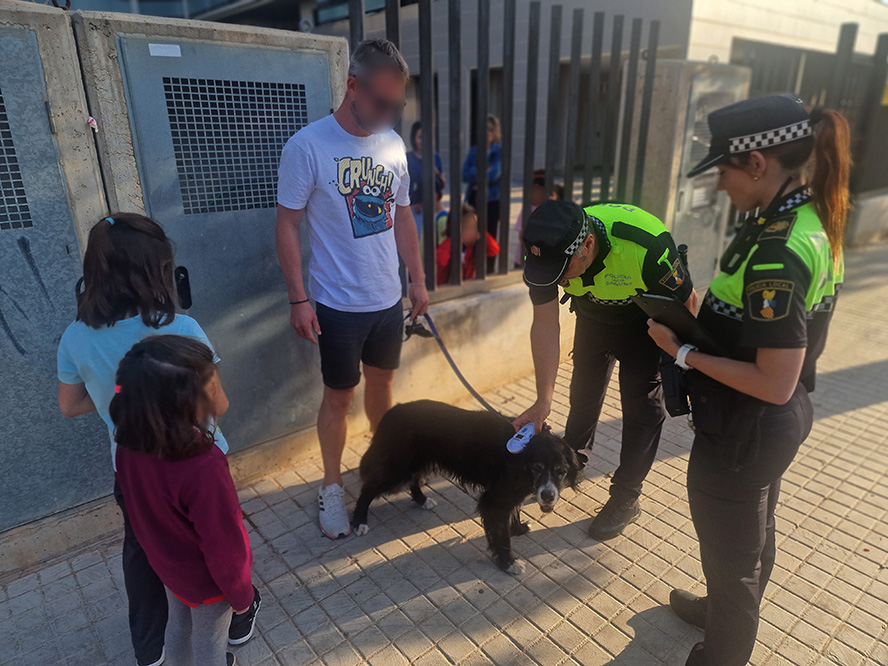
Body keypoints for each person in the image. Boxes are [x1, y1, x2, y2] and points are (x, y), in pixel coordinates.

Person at [646, 94, 848, 666]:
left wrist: (682, 350)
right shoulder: (807, 218)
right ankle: (722, 611)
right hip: (767, 424)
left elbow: (773, 381)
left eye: (725, 171)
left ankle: (724, 651)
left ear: (757, 164)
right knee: (753, 534)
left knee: (733, 559)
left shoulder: (777, 249)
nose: (719, 185)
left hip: (749, 424)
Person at [56, 213, 259, 666]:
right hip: (197, 462)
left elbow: (69, 405)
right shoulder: (183, 330)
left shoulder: (74, 336)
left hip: (130, 468)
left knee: (147, 546)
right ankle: (239, 614)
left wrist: (121, 395)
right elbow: (219, 405)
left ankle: (150, 651)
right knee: (217, 540)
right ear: (157, 271)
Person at [276, 39, 429, 540]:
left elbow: (402, 213)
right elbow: (287, 226)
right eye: (380, 103)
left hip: (387, 300)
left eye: (396, 105)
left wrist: (418, 280)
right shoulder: (307, 147)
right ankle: (331, 486)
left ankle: (383, 465)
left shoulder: (391, 144)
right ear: (352, 87)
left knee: (382, 389)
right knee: (339, 398)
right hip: (337, 304)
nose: (388, 113)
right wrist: (299, 297)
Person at [513, 200, 697, 541]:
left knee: (641, 408)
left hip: (646, 326)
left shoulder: (646, 245)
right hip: (593, 319)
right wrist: (542, 400)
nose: (558, 279)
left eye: (563, 271)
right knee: (582, 393)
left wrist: (681, 360)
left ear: (587, 246)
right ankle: (572, 461)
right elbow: (545, 324)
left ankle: (626, 496)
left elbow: (688, 305)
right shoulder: (546, 251)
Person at [111, 336, 255, 666]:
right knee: (210, 641)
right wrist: (241, 594)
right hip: (209, 583)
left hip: (166, 566)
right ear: (188, 400)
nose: (218, 385)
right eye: (212, 380)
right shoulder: (204, 465)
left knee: (177, 627)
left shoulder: (127, 446)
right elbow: (224, 541)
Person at [462, 114, 503, 270]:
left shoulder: (498, 151)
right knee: (470, 233)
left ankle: (490, 270)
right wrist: (483, 171)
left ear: (494, 133)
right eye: (484, 130)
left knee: (490, 235)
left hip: (492, 200)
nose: (486, 134)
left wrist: (476, 172)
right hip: (474, 197)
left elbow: (494, 175)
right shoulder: (474, 151)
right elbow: (464, 173)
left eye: (490, 130)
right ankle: (470, 268)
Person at [436, 203, 500, 284]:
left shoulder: (471, 246)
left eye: (473, 226)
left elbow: (494, 250)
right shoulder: (447, 245)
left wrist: (482, 235)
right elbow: (441, 261)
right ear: (453, 227)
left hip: (466, 286)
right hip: (445, 288)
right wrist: (455, 241)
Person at [406, 120, 445, 240]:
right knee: (417, 242)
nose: (423, 141)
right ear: (414, 138)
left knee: (434, 241)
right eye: (419, 137)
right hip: (415, 209)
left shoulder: (435, 157)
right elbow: (404, 184)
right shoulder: (408, 158)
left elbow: (442, 184)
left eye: (426, 137)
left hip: (433, 207)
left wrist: (437, 175)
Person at [514, 169, 549, 268]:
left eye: (540, 191)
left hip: (543, 258)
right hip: (523, 256)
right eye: (533, 191)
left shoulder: (550, 209)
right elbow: (521, 235)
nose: (536, 194)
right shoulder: (527, 210)